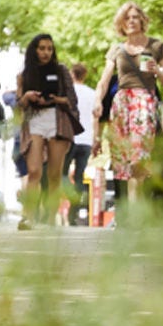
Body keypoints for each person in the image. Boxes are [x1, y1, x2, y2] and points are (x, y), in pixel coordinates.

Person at [93, 2, 163, 195]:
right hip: (122, 105)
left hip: (144, 103)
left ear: (143, 20)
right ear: (121, 23)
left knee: (139, 158)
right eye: (127, 18)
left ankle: (137, 215)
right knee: (124, 163)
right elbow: (103, 81)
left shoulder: (156, 46)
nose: (131, 21)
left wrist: (157, 70)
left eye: (135, 17)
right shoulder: (117, 50)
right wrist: (97, 101)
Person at [15, 34, 77, 230]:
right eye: (42, 48)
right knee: (34, 171)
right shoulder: (24, 75)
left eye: (49, 48)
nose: (46, 52)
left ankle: (51, 218)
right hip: (34, 121)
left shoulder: (61, 71)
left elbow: (71, 99)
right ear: (34, 50)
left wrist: (53, 100)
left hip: (56, 120)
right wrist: (26, 96)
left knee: (54, 174)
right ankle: (28, 217)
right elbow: (19, 107)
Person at [64, 62, 100, 222]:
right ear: (84, 75)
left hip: (70, 138)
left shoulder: (67, 92)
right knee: (79, 177)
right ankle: (73, 213)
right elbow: (95, 119)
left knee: (62, 173)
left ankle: (69, 193)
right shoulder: (92, 94)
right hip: (86, 141)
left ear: (72, 75)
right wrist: (96, 139)